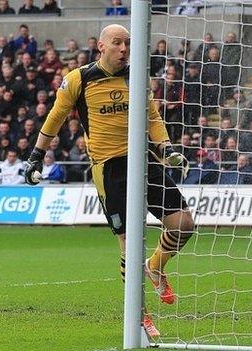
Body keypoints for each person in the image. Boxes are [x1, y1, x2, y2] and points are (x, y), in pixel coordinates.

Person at [23, 24, 193, 338]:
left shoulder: (136, 75)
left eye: (127, 43)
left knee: (183, 223)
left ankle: (155, 266)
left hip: (144, 161)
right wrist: (36, 155)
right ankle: (139, 316)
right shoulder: (78, 79)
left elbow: (152, 116)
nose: (123, 48)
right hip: (109, 169)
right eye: (117, 43)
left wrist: (167, 148)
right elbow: (56, 117)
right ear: (102, 46)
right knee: (129, 244)